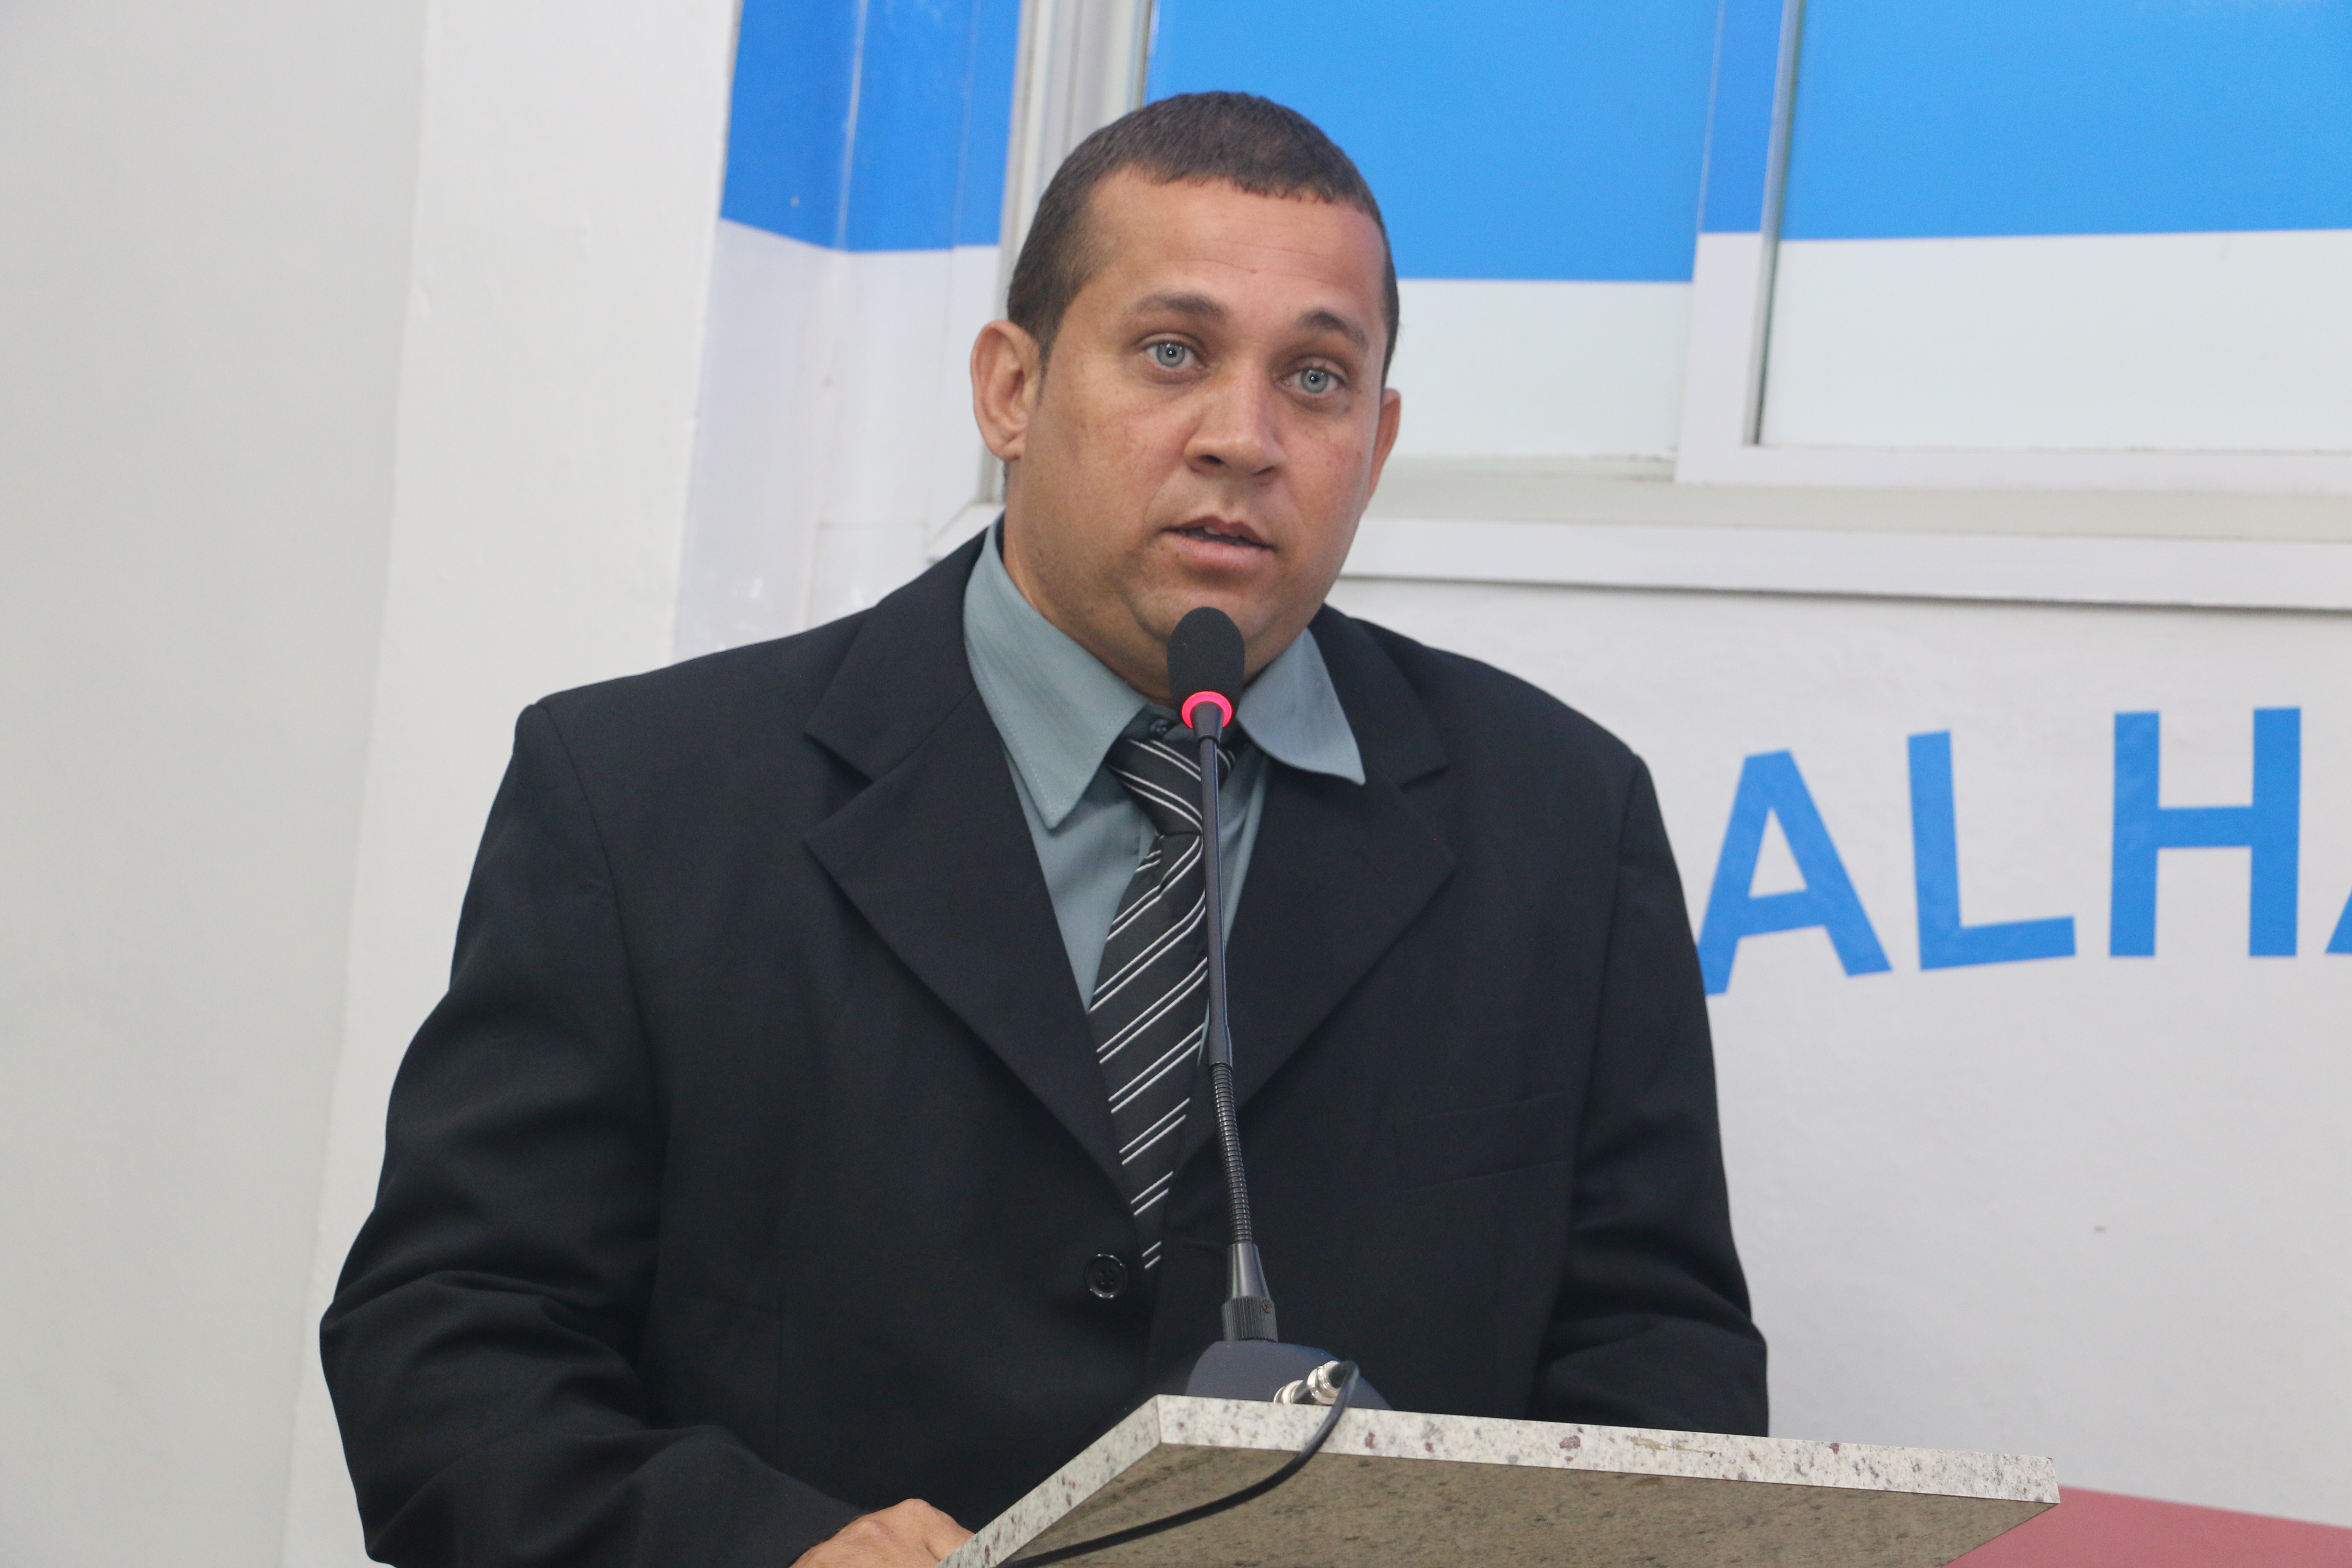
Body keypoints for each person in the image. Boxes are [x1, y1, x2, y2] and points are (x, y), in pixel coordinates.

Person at [323, 92, 1765, 1568]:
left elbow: (1662, 1376)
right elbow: (449, 1348)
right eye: (1172, 352)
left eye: (1318, 379)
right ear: (1010, 389)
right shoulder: (644, 796)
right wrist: (771, 1551)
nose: (1245, 438)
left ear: (1378, 440)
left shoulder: (1562, 822)